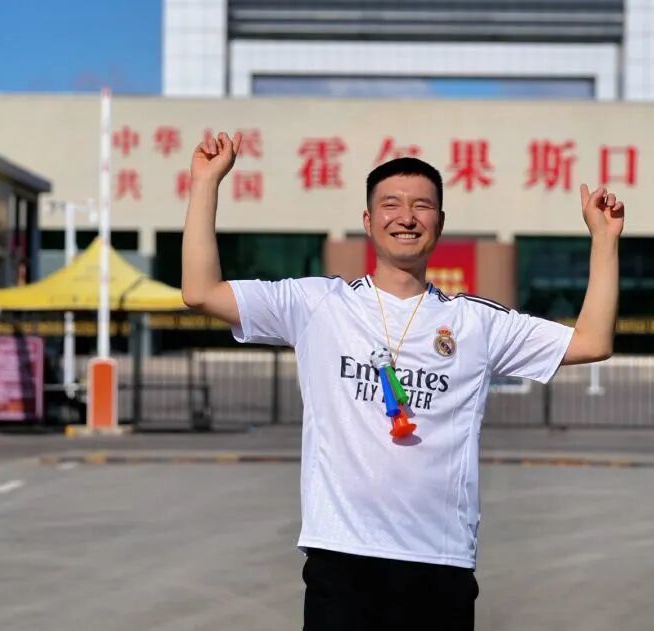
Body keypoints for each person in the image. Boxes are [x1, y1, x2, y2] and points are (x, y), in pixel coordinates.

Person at [181, 131, 625, 631]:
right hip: (342, 557)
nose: (406, 217)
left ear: (440, 222)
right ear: (368, 221)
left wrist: (605, 241)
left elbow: (592, 342)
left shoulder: (475, 323)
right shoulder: (318, 305)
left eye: (422, 206)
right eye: (390, 204)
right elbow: (201, 292)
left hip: (439, 561)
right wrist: (205, 183)